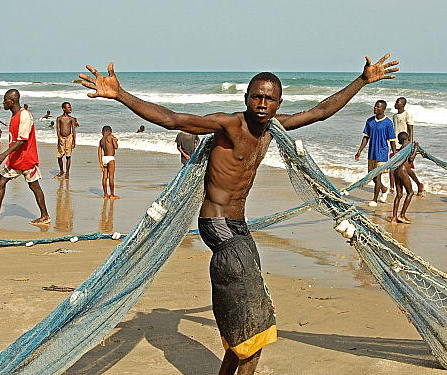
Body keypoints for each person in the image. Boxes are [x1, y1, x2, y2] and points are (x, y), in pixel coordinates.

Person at [79, 53, 398, 375]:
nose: (262, 103)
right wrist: (120, 94)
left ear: (278, 103)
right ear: (246, 98)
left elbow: (320, 112)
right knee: (254, 329)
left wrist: (362, 80)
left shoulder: (274, 128)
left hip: (238, 225)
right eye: (256, 96)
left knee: (244, 312)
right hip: (216, 224)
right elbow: (173, 119)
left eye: (269, 98)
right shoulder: (230, 125)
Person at [0, 89, 50, 226]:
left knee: (34, 186)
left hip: (26, 159)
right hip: (15, 159)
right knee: (0, 181)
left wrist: (4, 154)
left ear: (13, 101)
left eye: (5, 100)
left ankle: (45, 216)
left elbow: (22, 140)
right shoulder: (14, 116)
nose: (3, 103)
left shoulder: (24, 115)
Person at [355, 100, 397, 207]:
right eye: (375, 106)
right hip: (372, 152)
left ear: (383, 109)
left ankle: (375, 200)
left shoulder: (388, 123)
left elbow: (392, 140)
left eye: (378, 107)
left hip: (382, 152)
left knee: (377, 177)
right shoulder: (370, 121)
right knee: (372, 177)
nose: (375, 108)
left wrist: (394, 153)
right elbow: (366, 137)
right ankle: (384, 189)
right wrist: (360, 150)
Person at [389, 97, 424, 196]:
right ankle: (392, 188)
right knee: (392, 167)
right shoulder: (394, 116)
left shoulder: (407, 114)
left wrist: (410, 144)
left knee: (406, 169)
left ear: (403, 104)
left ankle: (419, 184)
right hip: (395, 144)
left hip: (404, 145)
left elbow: (410, 129)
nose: (395, 104)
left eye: (397, 102)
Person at [391, 132, 423, 224]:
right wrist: (416, 146)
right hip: (403, 172)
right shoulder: (409, 147)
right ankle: (402, 215)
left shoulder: (401, 148)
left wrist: (418, 152)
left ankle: (394, 217)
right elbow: (411, 159)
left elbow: (410, 156)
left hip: (396, 172)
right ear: (407, 139)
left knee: (399, 195)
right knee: (410, 192)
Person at [55, 102, 78, 179]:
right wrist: (59, 138)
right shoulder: (59, 118)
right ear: (64, 109)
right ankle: (61, 170)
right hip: (61, 138)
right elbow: (58, 129)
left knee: (68, 156)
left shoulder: (71, 119)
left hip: (69, 138)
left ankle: (67, 173)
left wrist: (74, 141)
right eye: (68, 107)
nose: (70, 109)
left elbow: (73, 130)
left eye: (70, 107)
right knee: (59, 156)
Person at [98, 125, 119, 199]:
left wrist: (101, 163)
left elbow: (99, 152)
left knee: (104, 177)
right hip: (110, 158)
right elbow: (116, 147)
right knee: (111, 177)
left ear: (102, 132)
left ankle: (105, 194)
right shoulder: (111, 137)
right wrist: (116, 141)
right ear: (110, 131)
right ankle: (112, 194)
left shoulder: (101, 140)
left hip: (104, 158)